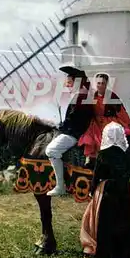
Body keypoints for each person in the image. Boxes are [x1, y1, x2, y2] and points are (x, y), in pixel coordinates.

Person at [80, 122, 130, 258]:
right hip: (124, 191)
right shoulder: (127, 154)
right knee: (125, 227)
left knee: (107, 227)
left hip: (107, 192)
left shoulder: (103, 154)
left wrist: (92, 191)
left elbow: (97, 175)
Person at [46, 65, 94, 196]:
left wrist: (61, 126)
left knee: (51, 150)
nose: (67, 85)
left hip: (75, 134)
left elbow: (74, 120)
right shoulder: (83, 94)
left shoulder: (81, 96)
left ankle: (60, 186)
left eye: (69, 82)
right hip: (75, 130)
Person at [78, 73, 130, 159]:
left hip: (109, 121)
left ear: (106, 84)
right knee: (90, 136)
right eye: (98, 83)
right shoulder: (92, 96)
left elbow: (121, 111)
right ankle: (90, 158)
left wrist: (129, 124)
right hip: (95, 122)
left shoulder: (112, 96)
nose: (100, 85)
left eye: (103, 83)